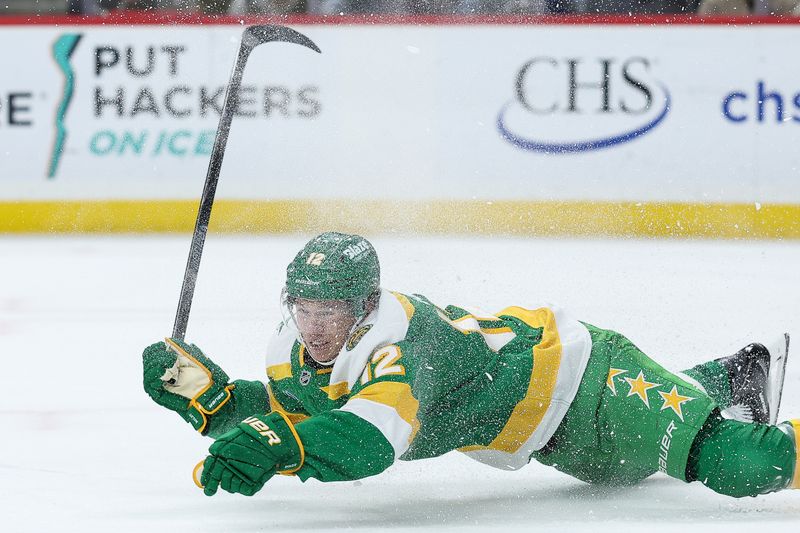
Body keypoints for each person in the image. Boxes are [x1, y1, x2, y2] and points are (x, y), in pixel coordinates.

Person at [142, 232, 798, 498]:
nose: (314, 327)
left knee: (745, 462)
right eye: (303, 307)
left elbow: (367, 441)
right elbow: (298, 416)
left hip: (586, 379)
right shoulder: (294, 345)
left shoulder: (401, 345)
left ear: (366, 304)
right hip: (545, 441)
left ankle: (734, 406)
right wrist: (221, 402)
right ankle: (730, 375)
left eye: (330, 309)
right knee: (642, 457)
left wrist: (277, 444)